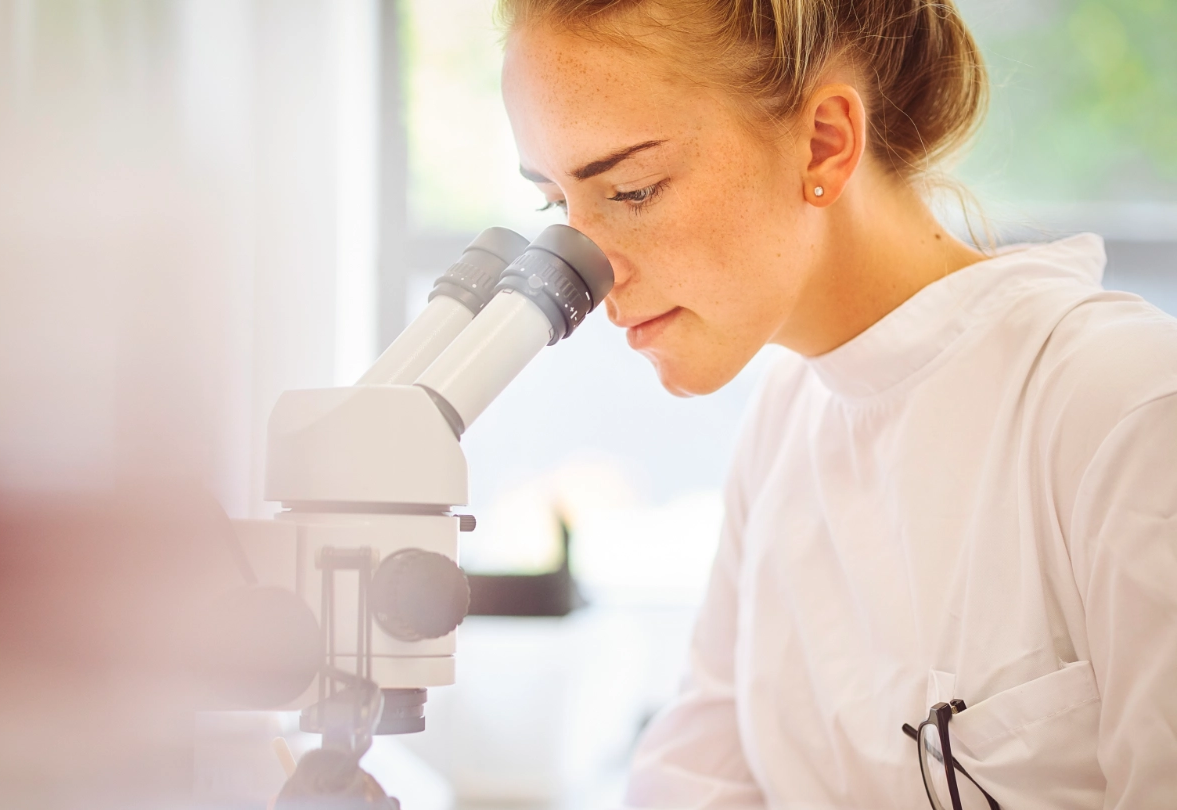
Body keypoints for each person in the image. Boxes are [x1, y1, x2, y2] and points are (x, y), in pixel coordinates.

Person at [497, 0, 1177, 807]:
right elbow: (697, 778)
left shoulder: (1122, 407)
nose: (590, 268)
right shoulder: (786, 421)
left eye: (634, 190)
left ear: (826, 141)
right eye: (556, 207)